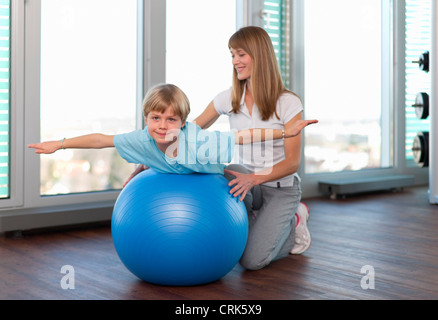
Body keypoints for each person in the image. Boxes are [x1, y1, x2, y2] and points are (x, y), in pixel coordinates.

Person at [29, 83, 317, 183]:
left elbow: (244, 136)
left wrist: (284, 132)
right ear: (146, 118)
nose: (163, 126)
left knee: (245, 184)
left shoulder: (196, 138)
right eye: (155, 118)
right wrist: (60, 144)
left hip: (223, 175)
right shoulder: (141, 140)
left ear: (183, 122)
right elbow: (101, 140)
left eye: (171, 119)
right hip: (185, 180)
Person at [194, 25, 312, 270]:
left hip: (281, 189)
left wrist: (254, 180)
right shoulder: (229, 98)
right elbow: (191, 131)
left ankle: (295, 222)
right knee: (232, 168)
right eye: (232, 55)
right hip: (249, 186)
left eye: (241, 54)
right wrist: (152, 149)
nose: (235, 61)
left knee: (251, 261)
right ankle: (259, 222)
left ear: (259, 55)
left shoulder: (288, 102)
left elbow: (291, 163)